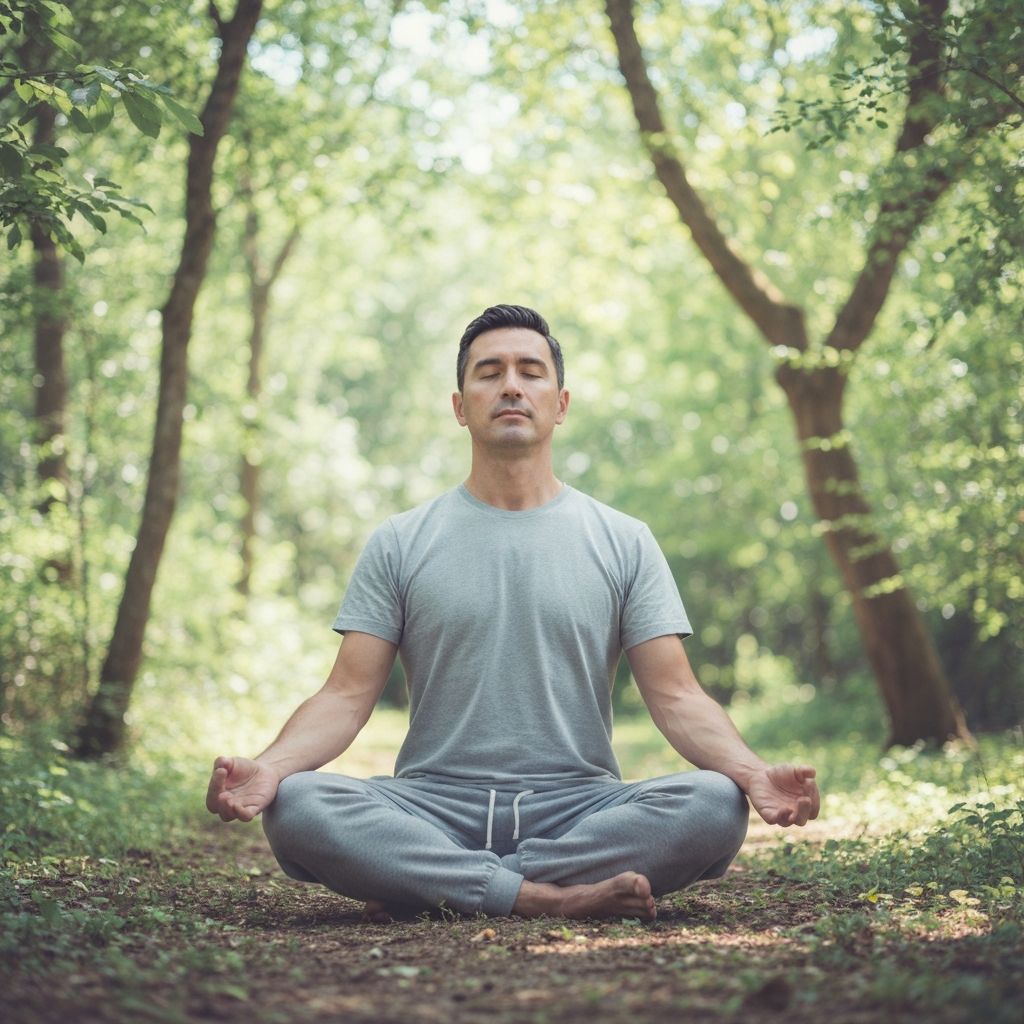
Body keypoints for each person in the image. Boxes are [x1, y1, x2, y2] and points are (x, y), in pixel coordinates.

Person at [206, 303, 819, 922]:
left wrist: (751, 773)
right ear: (460, 406)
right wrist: (272, 768)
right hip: (432, 806)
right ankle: (545, 896)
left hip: (577, 809)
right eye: (489, 372)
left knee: (714, 802)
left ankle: (430, 879)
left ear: (561, 403)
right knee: (299, 803)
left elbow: (678, 697)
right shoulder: (400, 541)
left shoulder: (625, 541)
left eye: (530, 371)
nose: (510, 386)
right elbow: (344, 696)